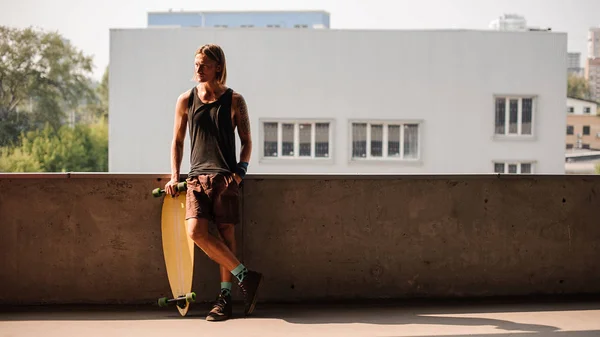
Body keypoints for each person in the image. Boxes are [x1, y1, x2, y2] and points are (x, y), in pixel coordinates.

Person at [164, 44, 263, 321]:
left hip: (224, 178)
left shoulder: (234, 100)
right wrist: (175, 176)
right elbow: (178, 141)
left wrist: (240, 173)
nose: (198, 69)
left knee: (226, 236)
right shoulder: (185, 100)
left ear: (217, 67)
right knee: (196, 232)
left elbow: (247, 142)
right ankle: (247, 276)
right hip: (196, 178)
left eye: (203, 65)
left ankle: (225, 300)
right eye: (196, 64)